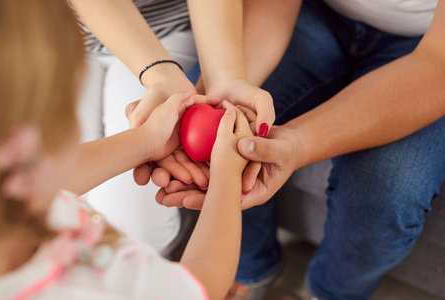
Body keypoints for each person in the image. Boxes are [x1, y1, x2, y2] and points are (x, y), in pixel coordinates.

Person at [158, 0, 445, 299]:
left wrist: (297, 144)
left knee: (383, 193)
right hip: (314, 12)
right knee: (214, 132)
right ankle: (251, 272)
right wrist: (229, 94)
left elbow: (439, 61)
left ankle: (332, 293)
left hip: (430, 50)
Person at [0, 1, 253, 299]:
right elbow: (203, 281)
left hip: (159, 35)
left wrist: (146, 140)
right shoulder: (108, 280)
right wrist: (226, 178)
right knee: (139, 230)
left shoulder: (28, 198)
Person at [70, 0, 275, 253]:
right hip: (54, 33)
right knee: (55, 210)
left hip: (168, 33)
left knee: (133, 232)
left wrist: (224, 77)